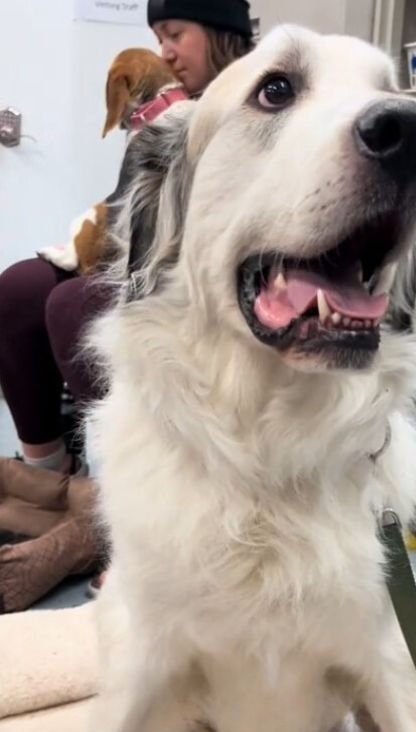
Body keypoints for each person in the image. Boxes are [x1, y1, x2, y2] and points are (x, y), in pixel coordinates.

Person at [0, 0, 254, 475]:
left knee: (73, 305)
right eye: (159, 39)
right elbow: (124, 205)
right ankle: (49, 471)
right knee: (19, 288)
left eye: (176, 34)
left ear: (222, 30)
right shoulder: (163, 111)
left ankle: (124, 480)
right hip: (136, 256)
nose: (166, 52)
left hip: (200, 283)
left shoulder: (255, 107)